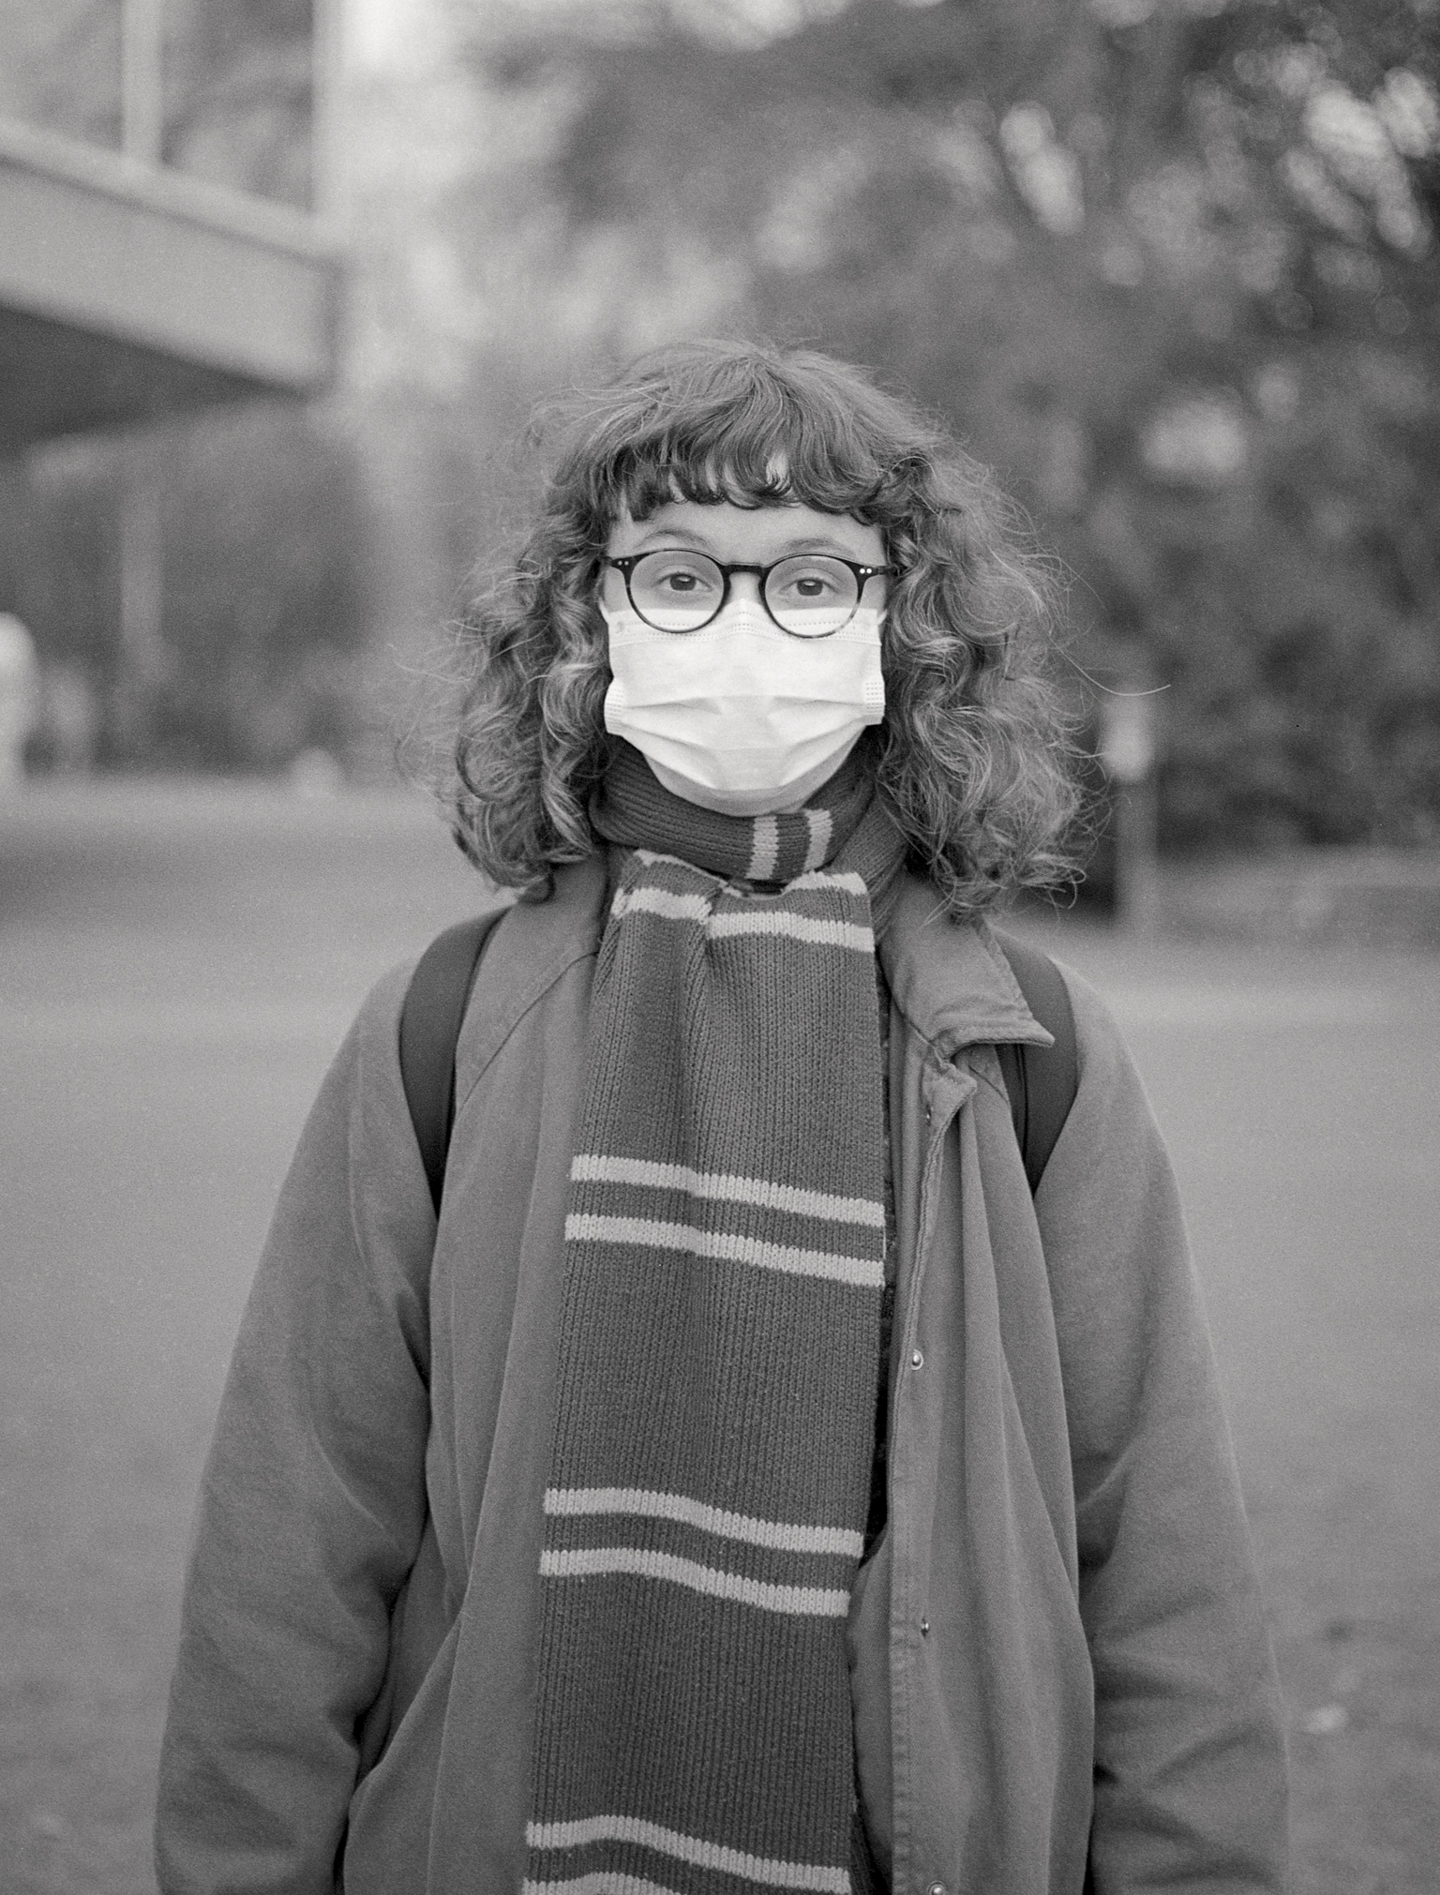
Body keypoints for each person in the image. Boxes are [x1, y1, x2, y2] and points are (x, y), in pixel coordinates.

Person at [156, 341, 1288, 1895]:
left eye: (813, 578)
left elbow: (1160, 1565)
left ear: (907, 626)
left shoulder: (1029, 1049)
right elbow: (289, 1555)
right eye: (679, 577)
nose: (748, 627)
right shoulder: (443, 1030)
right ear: (587, 621)